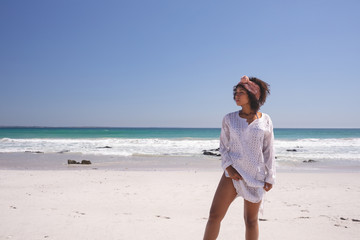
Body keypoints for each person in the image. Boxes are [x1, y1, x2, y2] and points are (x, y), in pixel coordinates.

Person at [203, 75, 275, 240]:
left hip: (255, 176)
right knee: (214, 215)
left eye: (241, 92)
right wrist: (228, 167)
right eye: (235, 92)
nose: (236, 95)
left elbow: (268, 150)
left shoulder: (266, 120)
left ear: (252, 95)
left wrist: (270, 176)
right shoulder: (229, 119)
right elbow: (223, 146)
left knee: (250, 221)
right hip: (232, 174)